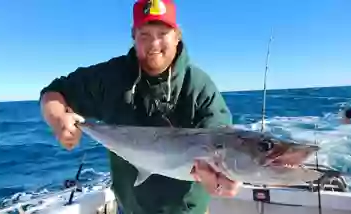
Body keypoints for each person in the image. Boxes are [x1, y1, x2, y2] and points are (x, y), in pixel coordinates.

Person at [39, 0, 241, 213]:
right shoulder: (111, 77)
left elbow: (221, 137)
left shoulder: (199, 86)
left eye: (162, 33)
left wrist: (223, 179)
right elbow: (53, 92)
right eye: (145, 35)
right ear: (133, 35)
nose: (154, 44)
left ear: (177, 35)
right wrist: (58, 118)